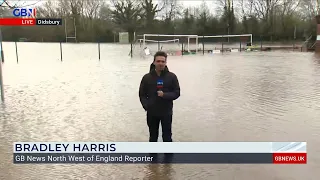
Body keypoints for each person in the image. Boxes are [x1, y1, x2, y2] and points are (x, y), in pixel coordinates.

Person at [139, 51, 180, 142]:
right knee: (153, 136)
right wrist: (146, 106)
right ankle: (153, 155)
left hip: (166, 112)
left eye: (163, 61)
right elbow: (142, 94)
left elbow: (177, 93)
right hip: (152, 112)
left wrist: (165, 95)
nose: (160, 63)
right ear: (154, 62)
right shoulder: (147, 77)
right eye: (158, 61)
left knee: (167, 136)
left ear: (165, 63)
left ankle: (168, 155)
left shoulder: (172, 77)